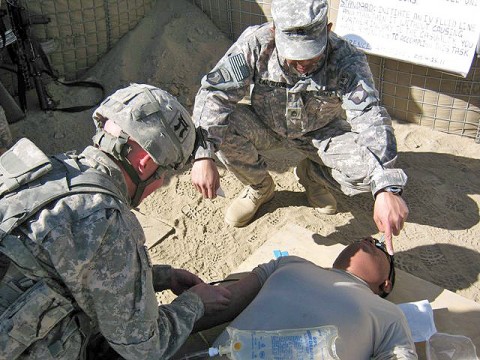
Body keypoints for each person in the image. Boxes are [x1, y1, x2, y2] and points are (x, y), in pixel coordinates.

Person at [0, 84, 231, 360]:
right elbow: (144, 348)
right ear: (145, 163)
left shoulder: (44, 171)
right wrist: (196, 303)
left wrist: (162, 277)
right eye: (164, 176)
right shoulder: (106, 220)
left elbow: (72, 267)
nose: (159, 185)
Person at [190, 0, 408, 254]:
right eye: (292, 52)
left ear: (327, 30)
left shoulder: (347, 59)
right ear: (274, 31)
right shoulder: (255, 43)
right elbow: (216, 93)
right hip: (265, 124)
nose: (302, 63)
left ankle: (312, 175)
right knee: (222, 130)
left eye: (311, 51)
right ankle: (260, 187)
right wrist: (203, 153)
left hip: (319, 131)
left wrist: (385, 187)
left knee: (367, 171)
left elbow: (370, 115)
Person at [194, 237, 418, 359]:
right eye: (368, 238)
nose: (370, 239)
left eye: (379, 247)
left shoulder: (388, 313)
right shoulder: (290, 263)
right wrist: (170, 325)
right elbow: (226, 300)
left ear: (385, 284)